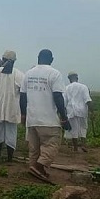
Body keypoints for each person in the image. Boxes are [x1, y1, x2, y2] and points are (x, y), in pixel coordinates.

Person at [20, 49, 67, 182]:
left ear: (38, 58)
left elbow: (22, 96)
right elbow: (58, 95)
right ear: (51, 59)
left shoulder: (28, 74)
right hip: (48, 119)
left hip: (32, 118)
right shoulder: (54, 73)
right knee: (52, 144)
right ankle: (39, 167)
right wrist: (63, 117)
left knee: (34, 148)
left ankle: (34, 171)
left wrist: (23, 114)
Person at [63, 71, 93, 152]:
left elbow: (64, 102)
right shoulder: (84, 87)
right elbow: (88, 100)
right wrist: (92, 112)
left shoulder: (66, 88)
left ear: (69, 79)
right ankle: (83, 145)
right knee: (83, 128)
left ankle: (75, 148)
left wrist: (63, 114)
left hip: (71, 111)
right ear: (77, 77)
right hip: (82, 111)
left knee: (74, 129)